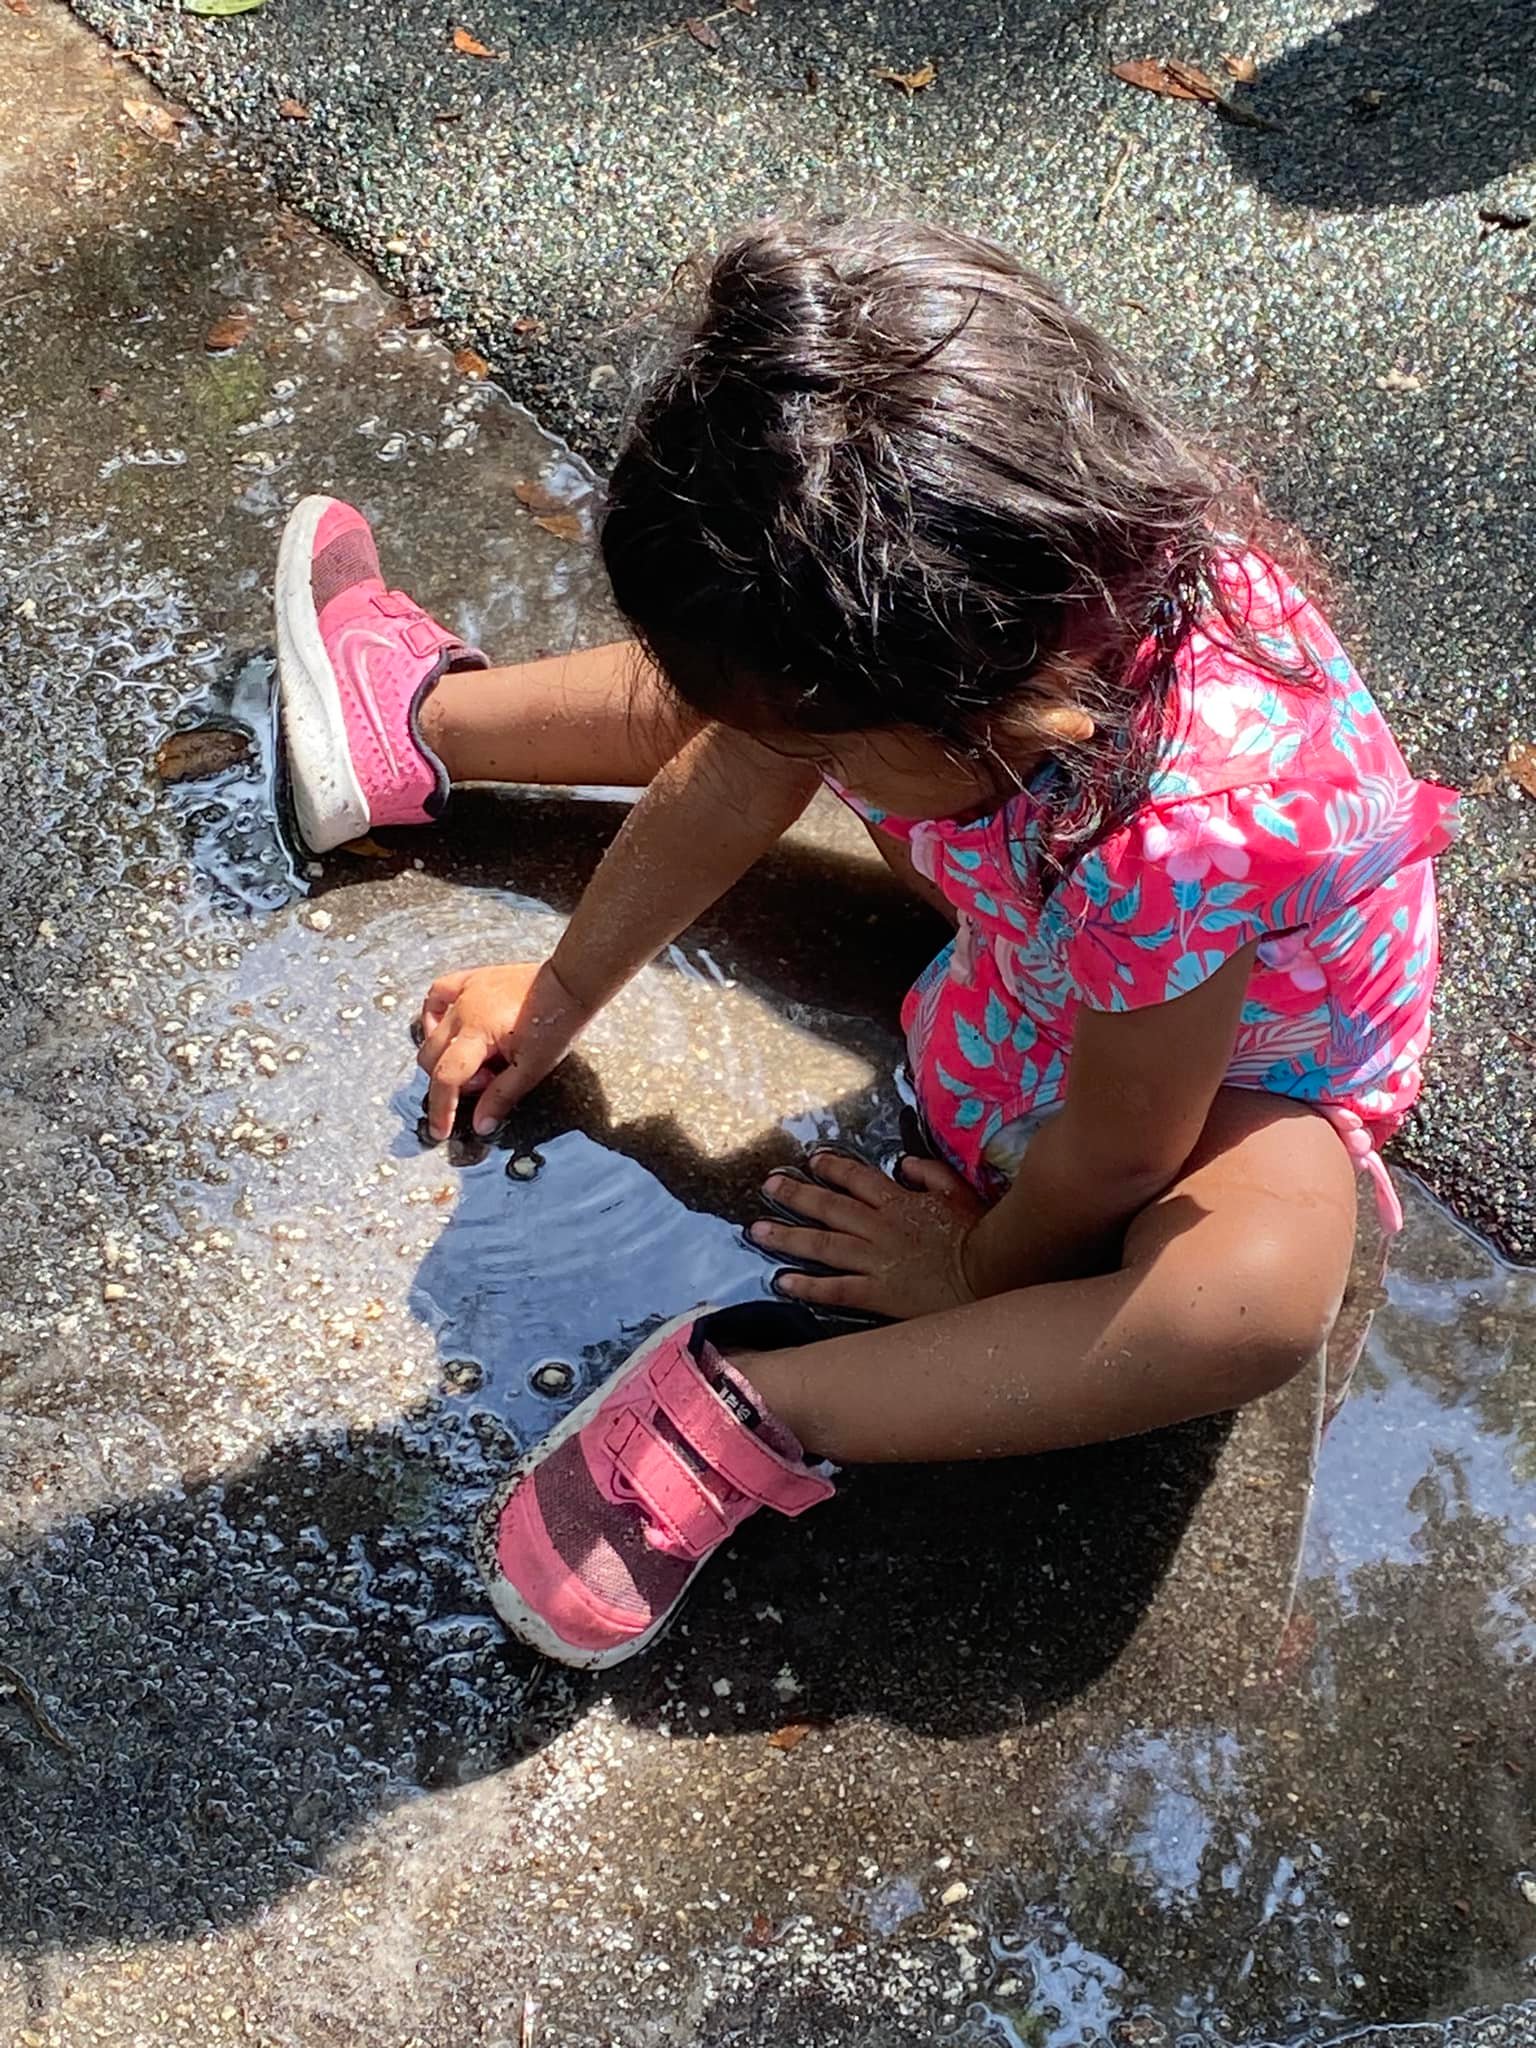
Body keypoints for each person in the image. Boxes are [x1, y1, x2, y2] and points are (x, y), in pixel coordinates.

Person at [273, 218, 1457, 1669]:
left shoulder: (1193, 822)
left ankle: (773, 1406)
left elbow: (1123, 1154)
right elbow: (747, 754)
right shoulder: (1010, 594)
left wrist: (982, 1269)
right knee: (756, 678)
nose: (767, 750)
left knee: (1257, 1294)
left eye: (822, 742)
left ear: (992, 716)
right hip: (1038, 930)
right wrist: (569, 990)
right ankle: (415, 727)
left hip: (1224, 1075)